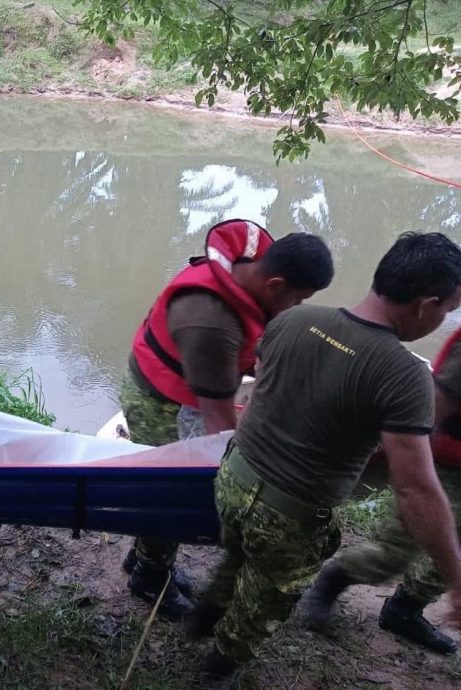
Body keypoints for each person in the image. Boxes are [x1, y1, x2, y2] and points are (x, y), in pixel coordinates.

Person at [195, 232, 461, 689]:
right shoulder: (405, 376)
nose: (443, 319)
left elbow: (276, 388)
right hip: (289, 518)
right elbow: (415, 489)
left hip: (233, 480)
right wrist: (457, 578)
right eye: (446, 309)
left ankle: (205, 614)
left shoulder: (294, 318)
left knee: (238, 553)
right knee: (265, 602)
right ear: (425, 305)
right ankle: (219, 666)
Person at [120, 219, 333, 618]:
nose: (297, 308)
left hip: (188, 384)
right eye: (297, 299)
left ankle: (145, 558)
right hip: (158, 399)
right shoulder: (212, 323)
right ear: (274, 284)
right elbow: (219, 424)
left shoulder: (250, 267)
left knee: (176, 488)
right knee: (173, 492)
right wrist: (244, 482)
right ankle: (150, 575)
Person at [304, 323, 461, 654]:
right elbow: (436, 405)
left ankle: (404, 610)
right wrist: (410, 467)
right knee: (397, 550)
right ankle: (334, 579)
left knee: (454, 551)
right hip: (446, 461)